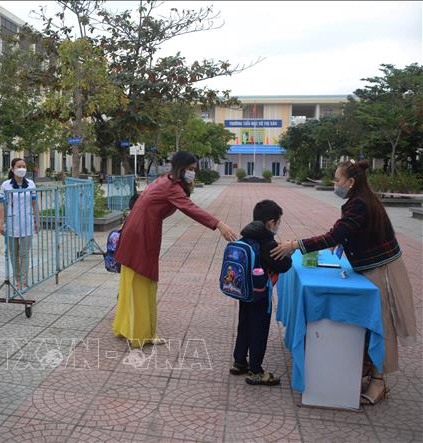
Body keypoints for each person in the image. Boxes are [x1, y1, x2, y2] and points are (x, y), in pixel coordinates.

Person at [272, 159, 417, 405]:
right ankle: (367, 366)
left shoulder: (360, 204)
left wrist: (295, 245)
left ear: (351, 182)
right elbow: (347, 233)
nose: (335, 184)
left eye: (338, 180)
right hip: (372, 266)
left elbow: (334, 235)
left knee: (381, 323)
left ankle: (379, 380)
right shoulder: (359, 201)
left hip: (382, 270)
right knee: (373, 321)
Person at [113, 151, 239, 348]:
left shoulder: (165, 180)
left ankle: (129, 327)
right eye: (189, 169)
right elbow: (190, 208)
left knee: (136, 281)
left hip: (137, 229)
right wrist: (219, 224)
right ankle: (140, 334)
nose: (192, 173)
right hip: (141, 233)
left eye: (193, 170)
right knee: (143, 282)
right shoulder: (171, 187)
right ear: (180, 168)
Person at [230, 200, 292, 386]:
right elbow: (284, 265)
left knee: (245, 324)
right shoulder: (267, 242)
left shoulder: (246, 236)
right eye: (278, 222)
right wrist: (287, 253)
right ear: (271, 223)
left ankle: (239, 362)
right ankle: (256, 371)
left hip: (245, 291)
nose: (278, 226)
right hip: (261, 294)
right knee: (259, 329)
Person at [0, 158, 39, 291]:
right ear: (12, 168)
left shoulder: (31, 184)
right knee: (13, 254)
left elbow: (34, 204)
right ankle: (17, 279)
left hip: (27, 223)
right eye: (19, 166)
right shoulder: (5, 185)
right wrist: (1, 223)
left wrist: (37, 220)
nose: (22, 169)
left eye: (24, 166)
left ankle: (24, 280)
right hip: (11, 223)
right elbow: (2, 206)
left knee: (24, 254)